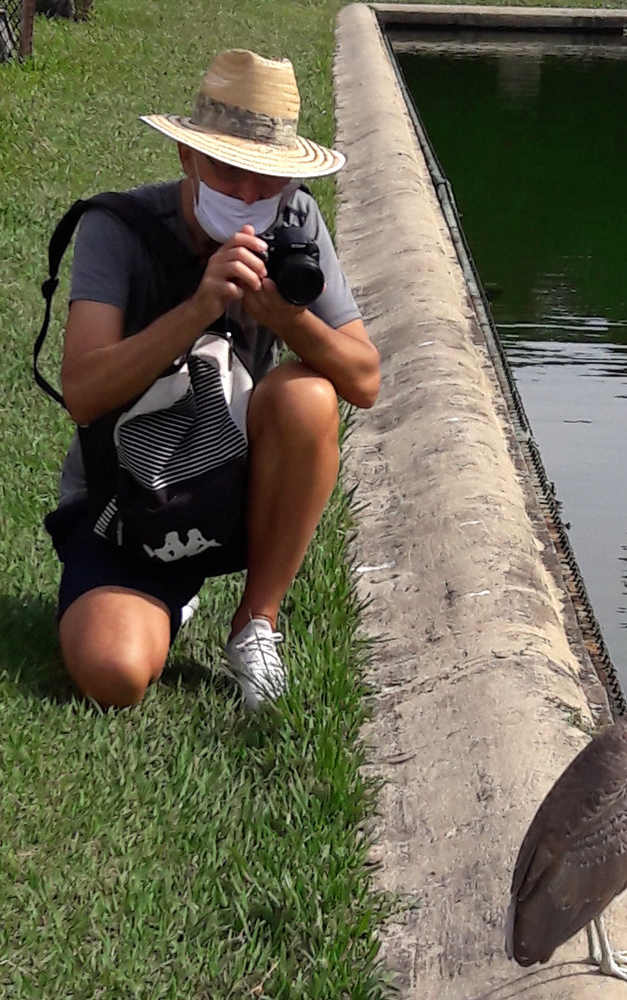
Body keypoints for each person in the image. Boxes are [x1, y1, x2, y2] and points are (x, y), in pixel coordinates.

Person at [45, 48, 380, 710]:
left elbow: (364, 380)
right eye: (230, 171)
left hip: (231, 483)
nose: (251, 196)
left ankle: (256, 621)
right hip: (126, 500)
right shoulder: (118, 229)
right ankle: (165, 595)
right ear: (187, 159)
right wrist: (197, 308)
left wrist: (290, 320)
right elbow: (81, 391)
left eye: (268, 178)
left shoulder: (295, 220)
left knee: (308, 393)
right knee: (114, 674)